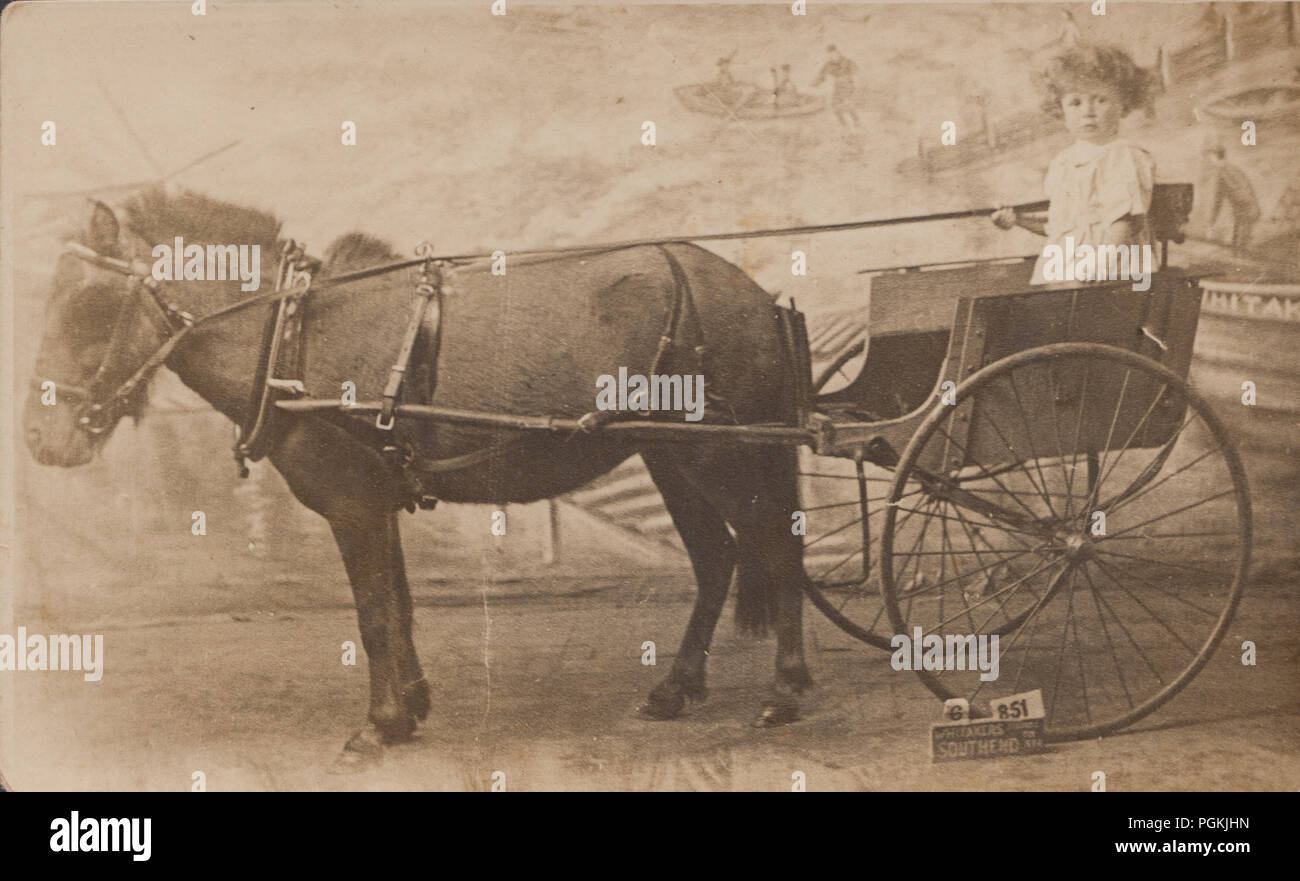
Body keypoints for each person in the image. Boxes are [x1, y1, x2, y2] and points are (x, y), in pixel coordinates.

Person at [992, 44, 1156, 284]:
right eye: (1075, 103)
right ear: (1061, 109)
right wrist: (1018, 220)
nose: (1088, 112)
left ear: (1123, 104)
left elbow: (1124, 223)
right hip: (1066, 267)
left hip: (1112, 269)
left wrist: (1096, 269)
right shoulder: (1063, 162)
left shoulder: (1123, 156)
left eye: (1101, 100)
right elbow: (1061, 226)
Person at [1203, 145, 1261, 251]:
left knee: (1240, 248)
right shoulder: (1231, 169)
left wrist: (1211, 224)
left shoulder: (1223, 173)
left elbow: (1218, 201)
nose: (1209, 161)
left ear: (1215, 157)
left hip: (1245, 212)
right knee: (1239, 246)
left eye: (1210, 157)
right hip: (1247, 211)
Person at [813, 45, 859, 129]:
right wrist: (814, 83)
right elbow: (821, 75)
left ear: (837, 52)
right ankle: (843, 125)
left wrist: (854, 84)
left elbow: (856, 72)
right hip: (836, 88)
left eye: (833, 53)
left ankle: (856, 121)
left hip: (847, 87)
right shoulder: (828, 64)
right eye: (829, 55)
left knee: (848, 105)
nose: (831, 56)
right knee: (834, 106)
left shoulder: (847, 61)